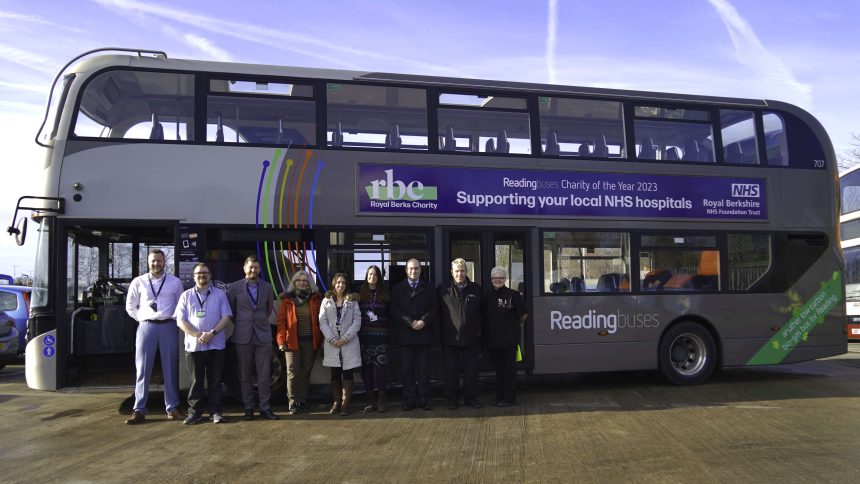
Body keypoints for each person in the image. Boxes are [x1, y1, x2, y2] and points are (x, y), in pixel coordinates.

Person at [123, 249, 185, 425]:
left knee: (170, 369)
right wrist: (142, 319)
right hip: (146, 328)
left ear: (164, 262)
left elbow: (181, 306)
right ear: (148, 263)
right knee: (143, 369)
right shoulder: (139, 281)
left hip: (168, 327)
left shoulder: (175, 282)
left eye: (159, 260)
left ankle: (172, 407)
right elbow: (130, 306)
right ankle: (139, 410)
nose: (156, 264)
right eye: (153, 261)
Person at [175, 262, 233, 424]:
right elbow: (180, 320)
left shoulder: (220, 294)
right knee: (195, 382)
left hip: (216, 344)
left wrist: (211, 333)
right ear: (194, 276)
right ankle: (195, 413)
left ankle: (216, 412)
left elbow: (226, 317)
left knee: (215, 381)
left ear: (210, 275)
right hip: (194, 346)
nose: (202, 275)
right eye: (199, 273)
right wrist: (197, 334)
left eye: (205, 272)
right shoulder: (186, 295)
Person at [227, 255, 278, 421]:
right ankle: (248, 408)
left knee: (264, 375)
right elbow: (232, 312)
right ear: (244, 268)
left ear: (259, 269)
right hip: (243, 336)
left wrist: (258, 322)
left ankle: (265, 407)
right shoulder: (234, 288)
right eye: (250, 267)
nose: (253, 270)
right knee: (245, 374)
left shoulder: (267, 287)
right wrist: (244, 323)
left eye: (256, 267)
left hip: (263, 336)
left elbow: (268, 310)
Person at [390, 259, 436, 411]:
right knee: (407, 371)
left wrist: (424, 321)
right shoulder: (397, 289)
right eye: (411, 269)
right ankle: (409, 400)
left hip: (424, 334)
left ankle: (424, 399)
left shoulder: (429, 288)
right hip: (406, 335)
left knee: (424, 371)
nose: (413, 271)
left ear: (420, 270)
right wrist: (410, 322)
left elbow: (434, 308)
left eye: (416, 269)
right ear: (405, 270)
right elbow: (395, 310)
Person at [437, 258, 483, 409]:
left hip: (471, 338)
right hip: (450, 338)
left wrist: (478, 332)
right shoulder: (443, 289)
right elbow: (437, 312)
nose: (459, 274)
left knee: (472, 371)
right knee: (451, 372)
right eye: (456, 271)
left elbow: (482, 313)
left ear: (467, 271)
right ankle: (452, 399)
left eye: (462, 271)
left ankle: (471, 398)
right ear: (451, 272)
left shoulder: (476, 289)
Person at [276, 270, 323, 415]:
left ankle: (302, 400)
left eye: (305, 280)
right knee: (292, 372)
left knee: (305, 372)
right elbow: (281, 323)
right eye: (299, 280)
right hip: (292, 342)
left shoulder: (315, 299)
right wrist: (281, 340)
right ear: (294, 282)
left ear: (309, 283)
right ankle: (292, 402)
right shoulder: (287, 300)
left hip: (311, 341)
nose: (302, 282)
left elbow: (320, 320)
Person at [318, 273, 362, 416]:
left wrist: (345, 338)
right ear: (333, 284)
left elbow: (357, 321)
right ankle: (336, 402)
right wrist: (331, 339)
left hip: (348, 342)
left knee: (348, 373)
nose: (340, 285)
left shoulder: (352, 301)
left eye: (343, 282)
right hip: (332, 343)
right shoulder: (326, 301)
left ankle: (345, 403)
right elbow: (322, 321)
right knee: (335, 373)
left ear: (346, 285)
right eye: (338, 282)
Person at [483, 266, 527, 407]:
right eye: (495, 278)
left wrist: (510, 326)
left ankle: (509, 398)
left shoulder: (513, 295)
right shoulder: (487, 295)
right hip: (493, 341)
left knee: (509, 371)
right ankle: (499, 396)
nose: (498, 280)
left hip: (509, 341)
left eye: (501, 278)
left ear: (505, 279)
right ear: (491, 280)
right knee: (499, 371)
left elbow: (523, 315)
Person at [358, 265, 390, 412]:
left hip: (381, 338)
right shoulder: (360, 294)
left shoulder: (385, 293)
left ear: (379, 277)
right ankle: (371, 401)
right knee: (367, 370)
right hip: (364, 338)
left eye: (375, 274)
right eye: (370, 274)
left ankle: (382, 400)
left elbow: (390, 315)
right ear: (366, 276)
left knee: (382, 369)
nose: (372, 277)